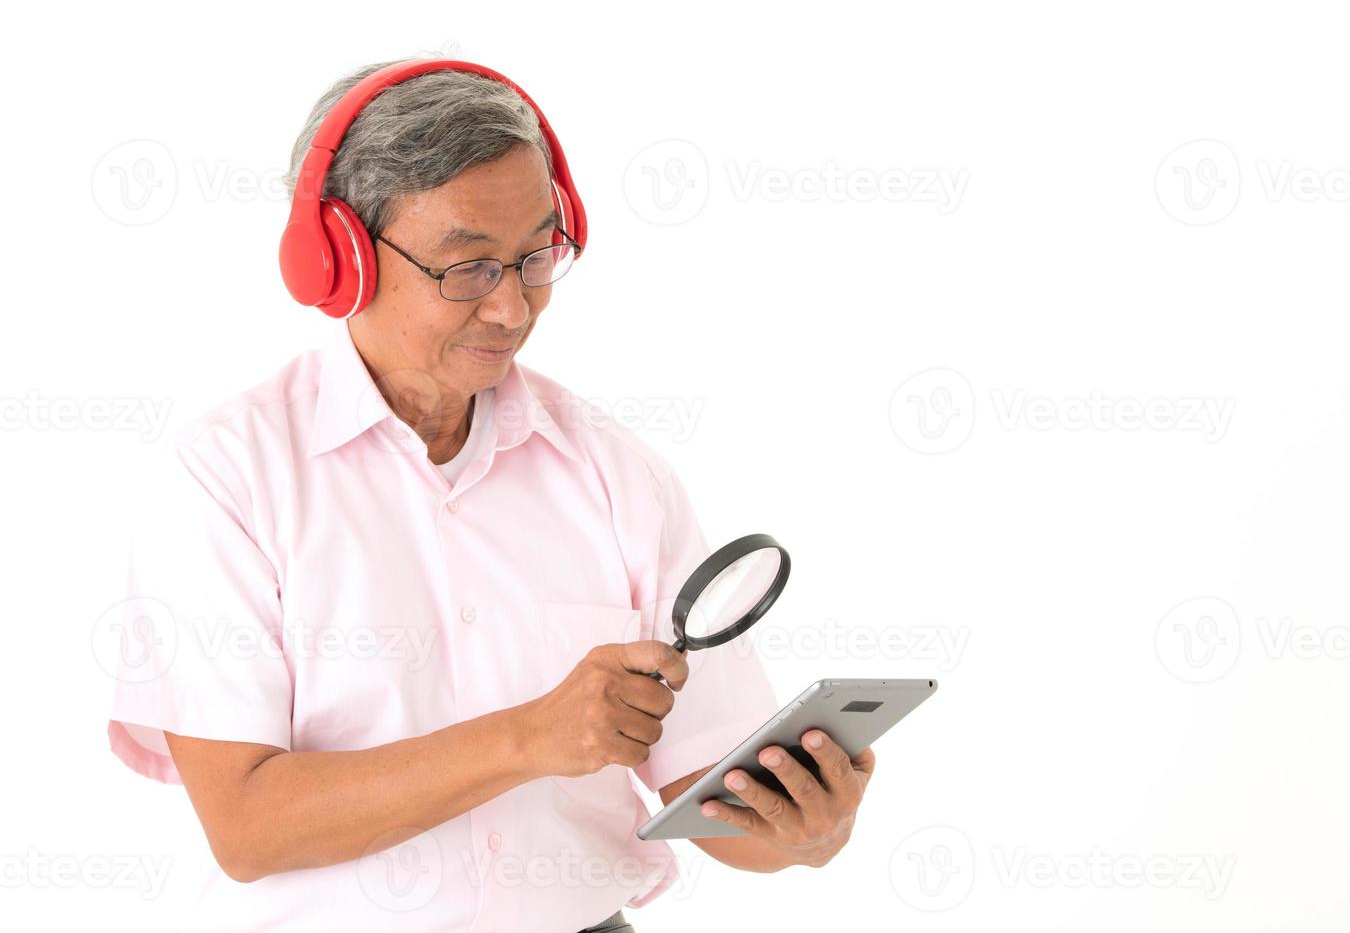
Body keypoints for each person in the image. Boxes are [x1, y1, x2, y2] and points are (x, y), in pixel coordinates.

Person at [106, 58, 875, 933]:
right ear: (342, 259)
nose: (513, 308)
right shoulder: (226, 476)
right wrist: (527, 737)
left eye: (537, 256)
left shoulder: (617, 472)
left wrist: (807, 833)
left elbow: (714, 794)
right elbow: (248, 827)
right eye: (468, 268)